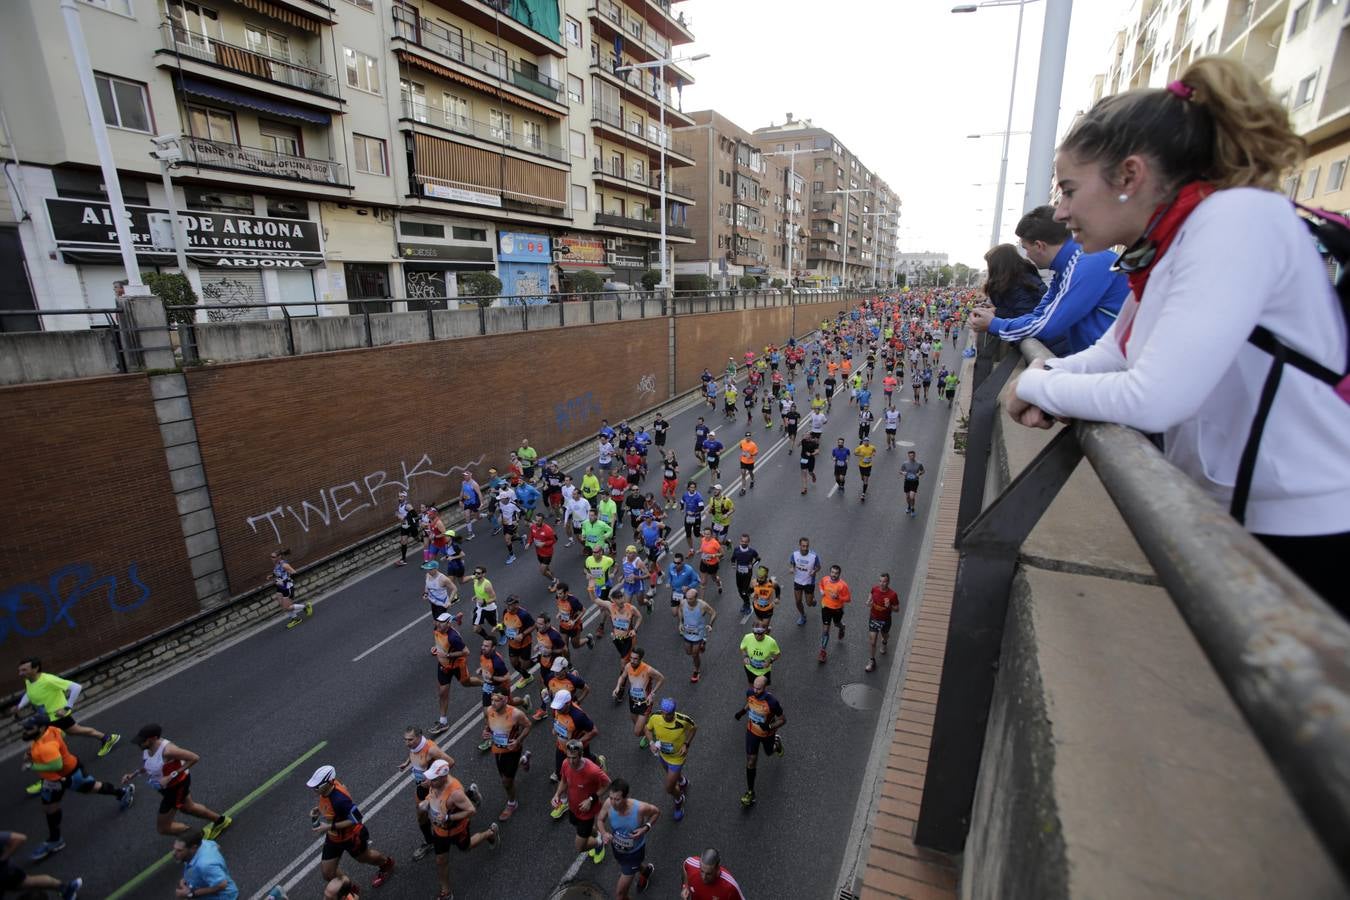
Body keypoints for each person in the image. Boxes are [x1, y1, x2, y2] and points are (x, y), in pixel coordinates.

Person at [1007, 59, 1350, 610]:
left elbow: (1154, 396)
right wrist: (1045, 372)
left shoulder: (1235, 220)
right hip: (1241, 513)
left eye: (1070, 189)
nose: (1063, 210)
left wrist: (1035, 386)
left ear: (1130, 175)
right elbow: (1111, 353)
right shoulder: (1169, 245)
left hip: (1312, 526)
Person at [972, 208, 1130, 356]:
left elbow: (1046, 326)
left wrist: (994, 324)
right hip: (1102, 360)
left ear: (1039, 245)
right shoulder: (1064, 269)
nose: (1026, 256)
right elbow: (1038, 314)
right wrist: (996, 320)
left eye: (1026, 248)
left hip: (1120, 367)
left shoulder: (1088, 262)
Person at [22, 714, 134, 860]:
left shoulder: (47, 747)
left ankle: (122, 793)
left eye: (29, 729)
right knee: (49, 808)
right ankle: (55, 840)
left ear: (41, 728)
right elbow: (61, 734)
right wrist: (33, 752)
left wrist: (32, 765)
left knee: (93, 787)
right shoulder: (51, 729)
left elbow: (57, 765)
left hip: (70, 775)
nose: (25, 732)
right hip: (51, 780)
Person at [11, 658, 118, 795]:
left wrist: (67, 707)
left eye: (24, 670)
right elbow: (29, 693)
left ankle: (48, 777)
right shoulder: (29, 680)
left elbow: (76, 687)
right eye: (20, 670)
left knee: (43, 747)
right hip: (46, 719)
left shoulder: (48, 679)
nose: (20, 673)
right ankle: (107, 738)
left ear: (36, 668)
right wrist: (19, 706)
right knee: (73, 732)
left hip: (57, 717)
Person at [123, 725, 228, 838]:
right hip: (167, 788)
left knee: (163, 828)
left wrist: (171, 776)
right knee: (188, 808)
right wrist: (134, 774)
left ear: (153, 738)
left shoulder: (168, 751)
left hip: (176, 787)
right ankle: (221, 821)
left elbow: (194, 758)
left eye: (142, 741)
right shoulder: (147, 748)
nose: (139, 744)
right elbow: (149, 765)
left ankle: (196, 837)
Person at [307, 765, 396, 891]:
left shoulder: (340, 800)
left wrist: (329, 826)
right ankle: (349, 889)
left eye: (317, 787)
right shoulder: (326, 792)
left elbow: (357, 818)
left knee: (364, 858)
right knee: (328, 873)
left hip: (352, 837)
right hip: (334, 838)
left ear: (329, 782)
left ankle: (386, 864)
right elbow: (332, 807)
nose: (314, 789)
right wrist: (320, 811)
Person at [419, 758, 498, 900]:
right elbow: (432, 795)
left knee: (466, 848)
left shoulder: (455, 793)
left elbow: (471, 810)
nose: (430, 782)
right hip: (439, 831)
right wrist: (426, 802)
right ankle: (446, 892)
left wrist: (449, 818)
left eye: (433, 780)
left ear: (443, 778)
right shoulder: (434, 783)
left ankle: (490, 833)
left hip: (457, 830)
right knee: (440, 861)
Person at [397, 725, 456, 861]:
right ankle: (430, 842)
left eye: (410, 740)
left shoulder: (431, 749)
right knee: (421, 817)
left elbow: (450, 762)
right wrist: (407, 763)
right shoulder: (413, 747)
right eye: (405, 740)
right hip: (421, 787)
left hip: (435, 788)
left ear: (419, 737)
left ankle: (470, 796)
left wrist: (432, 780)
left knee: (445, 814)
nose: (407, 743)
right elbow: (413, 754)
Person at [596, 779, 659, 899]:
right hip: (618, 849)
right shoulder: (609, 803)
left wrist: (646, 828)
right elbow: (599, 820)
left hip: (634, 853)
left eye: (617, 799)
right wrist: (603, 833)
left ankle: (637, 870)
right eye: (611, 798)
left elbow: (656, 812)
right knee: (630, 866)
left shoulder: (640, 808)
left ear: (626, 797)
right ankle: (646, 871)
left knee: (620, 894)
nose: (613, 803)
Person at [552, 739, 611, 864]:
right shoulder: (565, 764)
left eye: (574, 758)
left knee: (580, 847)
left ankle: (599, 844)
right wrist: (557, 794)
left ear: (581, 755)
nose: (571, 761)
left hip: (587, 812)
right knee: (581, 827)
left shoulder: (592, 770)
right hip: (573, 807)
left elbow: (607, 784)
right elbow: (563, 781)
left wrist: (591, 799)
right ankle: (598, 835)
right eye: (569, 757)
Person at [735, 676, 785, 808]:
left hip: (767, 734)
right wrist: (742, 712)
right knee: (751, 761)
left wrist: (769, 727)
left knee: (769, 752)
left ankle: (777, 743)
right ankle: (750, 792)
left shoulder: (772, 702)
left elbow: (782, 720)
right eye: (754, 687)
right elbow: (750, 703)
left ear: (765, 688)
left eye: (759, 689)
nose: (755, 690)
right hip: (751, 732)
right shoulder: (750, 693)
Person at [482, 691, 532, 821]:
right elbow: (488, 724)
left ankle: (512, 803)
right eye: (492, 700)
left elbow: (528, 726)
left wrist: (518, 741)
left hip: (512, 751)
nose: (492, 703)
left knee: (506, 781)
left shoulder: (516, 714)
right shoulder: (489, 710)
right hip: (497, 750)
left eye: (496, 700)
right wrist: (486, 732)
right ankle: (524, 760)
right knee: (505, 777)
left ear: (504, 699)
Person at [645, 698, 697, 822]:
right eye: (663, 712)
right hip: (662, 755)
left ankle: (679, 801)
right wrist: (651, 742)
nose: (664, 715)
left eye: (667, 714)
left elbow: (694, 728)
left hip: (677, 758)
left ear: (673, 713)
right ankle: (683, 782)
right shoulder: (656, 717)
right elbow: (647, 729)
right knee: (671, 775)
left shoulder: (683, 720)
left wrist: (686, 744)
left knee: (669, 788)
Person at [431, 612, 477, 735]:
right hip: (444, 666)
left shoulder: (453, 637)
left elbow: (466, 652)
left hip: (457, 665)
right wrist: (436, 648)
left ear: (448, 624)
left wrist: (447, 654)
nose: (439, 624)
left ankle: (485, 683)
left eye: (442, 623)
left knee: (466, 683)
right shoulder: (437, 628)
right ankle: (443, 721)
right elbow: (439, 641)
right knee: (442, 692)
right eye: (438, 622)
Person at [0, 831, 81, 899]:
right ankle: (66, 889)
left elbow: (20, 838)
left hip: (4, 872)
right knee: (28, 881)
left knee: (28, 881)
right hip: (6, 871)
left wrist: (2, 860)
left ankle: (66, 890)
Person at [612, 648, 664, 744]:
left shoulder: (648, 670)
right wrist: (617, 687)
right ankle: (650, 732)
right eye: (631, 658)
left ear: (641, 659)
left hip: (645, 703)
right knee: (640, 725)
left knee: (637, 732)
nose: (632, 661)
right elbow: (622, 677)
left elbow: (661, 678)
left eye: (635, 659)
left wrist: (652, 693)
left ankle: (652, 739)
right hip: (632, 701)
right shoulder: (628, 666)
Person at [172, 829, 238, 900]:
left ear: (193, 848)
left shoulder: (205, 865)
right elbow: (217, 846)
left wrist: (190, 893)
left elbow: (222, 885)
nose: (174, 853)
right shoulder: (204, 843)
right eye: (174, 848)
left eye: (179, 850)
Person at [677, 588, 717, 683]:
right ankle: (702, 645)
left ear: (696, 598)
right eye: (687, 598)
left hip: (698, 634)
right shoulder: (683, 603)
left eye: (690, 599)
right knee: (688, 652)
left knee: (695, 655)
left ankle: (696, 670)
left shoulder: (702, 605)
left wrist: (710, 624)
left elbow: (713, 613)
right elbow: (680, 610)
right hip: (687, 633)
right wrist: (680, 623)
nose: (688, 600)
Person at [866, 573, 902, 673]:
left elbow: (897, 609)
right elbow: (870, 596)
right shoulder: (874, 589)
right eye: (880, 581)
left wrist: (889, 605)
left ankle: (884, 642)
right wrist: (869, 601)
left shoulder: (892, 595)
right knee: (873, 642)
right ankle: (872, 661)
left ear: (888, 582)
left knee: (885, 635)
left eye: (884, 581)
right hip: (874, 618)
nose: (882, 584)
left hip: (885, 620)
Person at [267, 549, 311, 629]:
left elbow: (294, 573)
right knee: (282, 604)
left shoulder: (284, 565)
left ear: (279, 557)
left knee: (287, 607)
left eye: (273, 557)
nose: (271, 558)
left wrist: (283, 580)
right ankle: (295, 619)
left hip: (287, 587)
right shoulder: (277, 564)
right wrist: (272, 575)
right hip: (280, 587)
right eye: (271, 557)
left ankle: (305, 606)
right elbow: (279, 572)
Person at [817, 565, 851, 664]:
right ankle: (823, 651)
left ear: (839, 574)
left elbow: (848, 599)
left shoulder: (843, 585)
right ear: (830, 572)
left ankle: (842, 627)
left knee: (837, 624)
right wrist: (821, 591)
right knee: (826, 629)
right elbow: (820, 584)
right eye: (832, 572)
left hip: (837, 609)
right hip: (826, 607)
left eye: (836, 573)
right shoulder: (825, 579)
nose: (834, 575)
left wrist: (838, 597)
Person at [681, 848, 746, 900]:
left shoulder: (730, 886)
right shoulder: (691, 864)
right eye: (701, 871)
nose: (703, 877)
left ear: (717, 869)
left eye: (708, 874)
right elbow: (685, 865)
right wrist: (685, 886)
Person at [789, 537, 821, 626]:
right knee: (798, 601)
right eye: (803, 546)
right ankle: (803, 616)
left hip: (809, 582)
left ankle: (813, 600)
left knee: (809, 603)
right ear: (799, 545)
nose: (805, 548)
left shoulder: (814, 556)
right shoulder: (794, 554)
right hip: (798, 581)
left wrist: (814, 571)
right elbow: (792, 562)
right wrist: (792, 567)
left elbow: (818, 567)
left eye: (807, 546)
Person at [729, 534, 760, 616]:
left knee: (743, 591)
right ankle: (752, 590)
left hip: (747, 574)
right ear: (740, 541)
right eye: (742, 541)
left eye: (746, 542)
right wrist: (733, 565)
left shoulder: (752, 551)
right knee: (740, 590)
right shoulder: (736, 550)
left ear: (748, 542)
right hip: (739, 573)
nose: (744, 543)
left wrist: (752, 565)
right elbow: (732, 559)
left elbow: (758, 559)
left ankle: (747, 605)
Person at [747, 566, 781, 632]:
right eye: (758, 577)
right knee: (760, 624)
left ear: (766, 577)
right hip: (757, 608)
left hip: (768, 609)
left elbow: (778, 588)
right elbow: (749, 591)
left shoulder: (772, 583)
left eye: (761, 578)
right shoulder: (754, 582)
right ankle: (767, 629)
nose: (759, 580)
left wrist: (777, 598)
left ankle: (766, 630)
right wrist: (751, 593)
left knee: (763, 628)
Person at [394, 491, 419, 567]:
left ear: (405, 497)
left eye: (401, 497)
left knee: (417, 538)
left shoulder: (408, 506)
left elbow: (415, 515)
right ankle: (403, 559)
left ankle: (427, 541)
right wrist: (398, 515)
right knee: (403, 541)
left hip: (411, 526)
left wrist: (404, 517)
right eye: (399, 496)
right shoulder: (400, 505)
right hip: (404, 527)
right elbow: (401, 514)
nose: (399, 498)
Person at [697, 527, 724, 596]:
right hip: (703, 563)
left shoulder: (715, 543)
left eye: (708, 534)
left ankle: (719, 584)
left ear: (711, 535)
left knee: (714, 578)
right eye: (705, 534)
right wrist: (699, 551)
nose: (706, 536)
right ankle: (701, 601)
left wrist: (714, 555)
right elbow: (703, 548)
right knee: (703, 582)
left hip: (712, 564)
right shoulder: (703, 539)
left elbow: (722, 553)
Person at [900, 451, 925, 518]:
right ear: (908, 456)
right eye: (910, 456)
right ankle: (909, 506)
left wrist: (919, 474)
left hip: (914, 482)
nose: (912, 457)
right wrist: (903, 473)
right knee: (908, 497)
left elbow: (923, 471)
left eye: (913, 455)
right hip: (907, 481)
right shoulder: (905, 463)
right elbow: (900, 471)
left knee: (912, 497)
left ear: (915, 456)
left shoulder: (919, 464)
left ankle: (913, 509)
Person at [855, 436, 877, 501]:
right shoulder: (860, 447)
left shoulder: (872, 447)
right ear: (863, 442)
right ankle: (864, 481)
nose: (866, 442)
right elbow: (855, 453)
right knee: (862, 478)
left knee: (865, 480)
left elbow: (874, 450)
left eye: (867, 441)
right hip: (861, 465)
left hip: (868, 465)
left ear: (868, 442)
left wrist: (873, 454)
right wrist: (860, 455)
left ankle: (863, 494)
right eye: (865, 441)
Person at [798, 430, 820, 495]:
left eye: (807, 434)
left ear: (810, 436)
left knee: (810, 472)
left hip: (811, 459)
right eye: (805, 434)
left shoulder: (814, 443)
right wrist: (801, 439)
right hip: (803, 459)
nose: (806, 435)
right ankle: (805, 489)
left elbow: (817, 452)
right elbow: (797, 445)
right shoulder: (803, 441)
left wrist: (811, 454)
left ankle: (813, 476)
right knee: (804, 473)